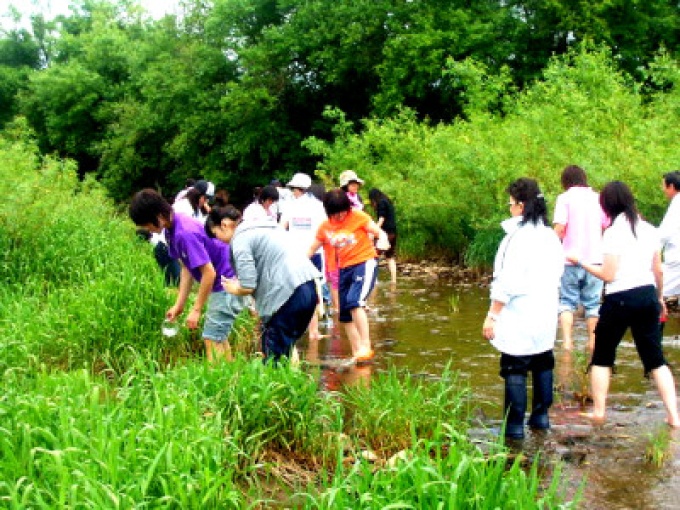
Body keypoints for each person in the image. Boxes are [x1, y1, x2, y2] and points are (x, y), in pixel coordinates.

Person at [567, 181, 680, 428]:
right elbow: (658, 270)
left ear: (607, 207)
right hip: (647, 295)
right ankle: (674, 416)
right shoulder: (650, 230)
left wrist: (582, 262)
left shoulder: (613, 233)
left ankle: (599, 412)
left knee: (602, 357)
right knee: (656, 359)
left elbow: (608, 275)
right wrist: (660, 298)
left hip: (619, 299)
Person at [482, 178, 564, 439]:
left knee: (514, 365)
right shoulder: (550, 235)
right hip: (546, 309)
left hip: (520, 312)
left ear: (520, 206)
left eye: (510, 204)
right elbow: (559, 271)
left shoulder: (516, 238)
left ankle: (514, 428)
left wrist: (492, 315)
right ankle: (541, 419)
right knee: (542, 361)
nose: (509, 209)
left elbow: (506, 281)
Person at [129, 189, 245, 362]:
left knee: (212, 338)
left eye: (147, 224)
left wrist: (196, 309)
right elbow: (186, 268)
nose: (149, 230)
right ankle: (231, 378)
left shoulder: (185, 232)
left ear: (158, 215)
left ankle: (220, 383)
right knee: (217, 336)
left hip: (227, 282)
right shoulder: (170, 230)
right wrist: (179, 305)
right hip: (222, 283)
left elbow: (209, 273)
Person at [205, 206, 321, 363]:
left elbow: (248, 285)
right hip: (308, 288)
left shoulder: (241, 238)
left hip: (287, 294)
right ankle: (295, 384)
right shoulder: (267, 227)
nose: (218, 240)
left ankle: (281, 386)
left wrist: (235, 288)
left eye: (215, 234)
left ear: (224, 224)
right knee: (286, 347)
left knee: (275, 358)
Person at [308, 189, 390, 363]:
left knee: (355, 302)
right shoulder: (325, 227)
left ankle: (366, 345)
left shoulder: (359, 217)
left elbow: (379, 233)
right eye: (335, 213)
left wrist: (383, 240)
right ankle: (357, 351)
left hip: (364, 263)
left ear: (348, 207)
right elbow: (311, 249)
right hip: (343, 268)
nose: (340, 216)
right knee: (344, 314)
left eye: (343, 211)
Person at [553, 165, 609, 352]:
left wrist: (551, 246)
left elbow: (560, 228)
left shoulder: (564, 198)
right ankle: (593, 342)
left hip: (569, 259)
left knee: (567, 302)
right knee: (593, 304)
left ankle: (568, 343)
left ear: (565, 182)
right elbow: (606, 224)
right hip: (595, 260)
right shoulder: (598, 198)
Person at [280, 173, 328, 340]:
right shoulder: (319, 206)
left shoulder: (289, 206)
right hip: (314, 253)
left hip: (295, 254)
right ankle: (313, 332)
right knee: (314, 292)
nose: (293, 192)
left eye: (293, 189)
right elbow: (325, 231)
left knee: (295, 291)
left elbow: (281, 229)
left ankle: (294, 329)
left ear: (298, 189)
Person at [369, 188, 398, 284]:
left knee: (374, 256)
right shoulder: (387, 201)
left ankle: (374, 280)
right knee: (390, 256)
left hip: (385, 234)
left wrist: (374, 232)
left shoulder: (381, 203)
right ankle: (393, 281)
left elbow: (381, 219)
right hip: (393, 232)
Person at [659, 171, 680, 304]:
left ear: (671, 186)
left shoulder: (677, 204)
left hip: (676, 260)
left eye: (663, 186)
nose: (663, 189)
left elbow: (663, 234)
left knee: (659, 291)